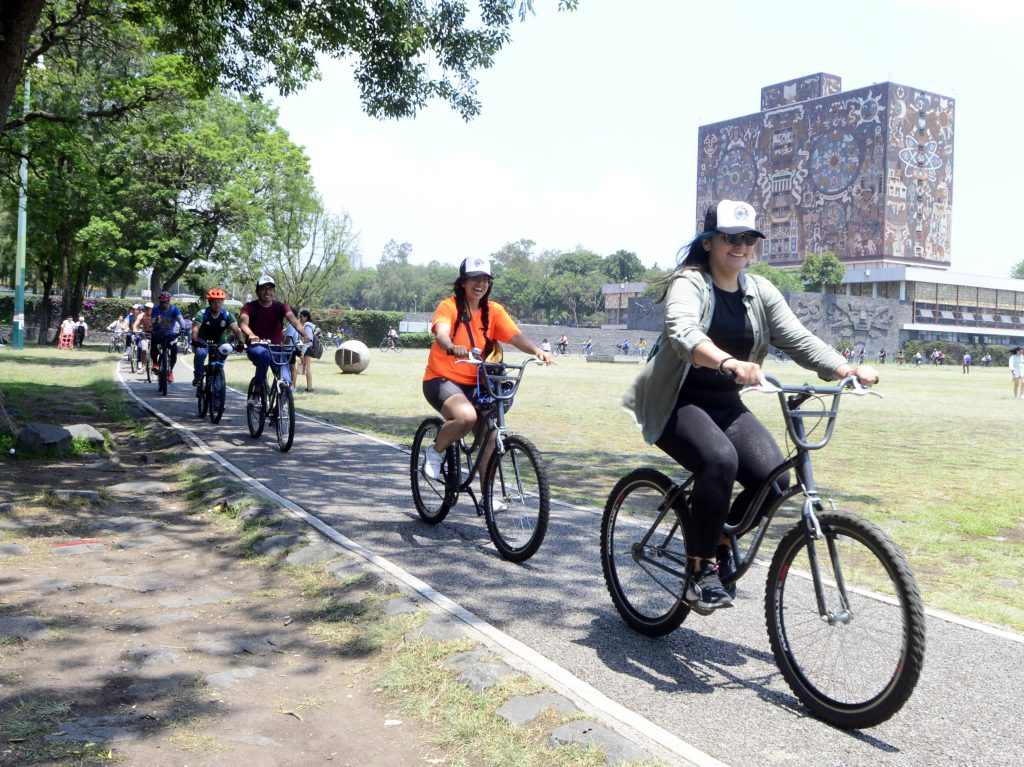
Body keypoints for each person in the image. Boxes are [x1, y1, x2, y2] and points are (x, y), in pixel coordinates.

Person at [622, 199, 878, 615]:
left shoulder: (759, 290)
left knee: (773, 483)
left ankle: (721, 541)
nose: (740, 246)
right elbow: (682, 330)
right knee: (719, 461)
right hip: (675, 401)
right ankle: (698, 569)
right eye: (730, 238)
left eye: (748, 239)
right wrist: (727, 360)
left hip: (724, 403)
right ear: (709, 242)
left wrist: (843, 368)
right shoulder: (690, 282)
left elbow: (797, 337)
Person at [420, 256, 553, 489]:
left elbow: (515, 336)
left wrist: (536, 351)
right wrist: (450, 346)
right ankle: (435, 450)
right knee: (466, 417)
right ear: (463, 282)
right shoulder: (449, 306)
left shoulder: (493, 312)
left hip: (478, 385)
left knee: (492, 435)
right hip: (442, 379)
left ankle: (488, 496)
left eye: (485, 280)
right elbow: (441, 332)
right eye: (474, 279)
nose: (480, 284)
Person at [239, 275, 311, 406]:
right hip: (257, 346)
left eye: (270, 289)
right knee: (264, 355)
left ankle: (281, 406)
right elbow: (243, 324)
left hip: (277, 348)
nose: (268, 292)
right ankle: (256, 392)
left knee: (284, 378)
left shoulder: (282, 307)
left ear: (274, 291)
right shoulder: (249, 307)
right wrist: (250, 334)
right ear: (257, 291)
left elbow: (295, 321)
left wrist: (304, 334)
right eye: (264, 289)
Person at [191, 288, 245, 386]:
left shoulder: (227, 315)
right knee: (200, 353)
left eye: (220, 302)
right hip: (203, 340)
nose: (217, 305)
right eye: (214, 302)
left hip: (220, 341)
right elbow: (195, 328)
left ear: (223, 303)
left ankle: (218, 378)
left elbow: (236, 330)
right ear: (210, 303)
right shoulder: (202, 314)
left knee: (222, 356)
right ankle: (198, 376)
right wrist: (195, 339)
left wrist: (241, 343)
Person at [149, 291, 184, 382]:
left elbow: (180, 319)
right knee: (153, 345)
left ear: (169, 301)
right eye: (162, 302)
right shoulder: (156, 309)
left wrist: (183, 328)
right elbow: (151, 322)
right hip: (158, 333)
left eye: (166, 302)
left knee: (174, 352)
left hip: (170, 334)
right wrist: (156, 321)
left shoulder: (174, 309)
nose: (164, 304)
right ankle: (155, 363)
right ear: (160, 302)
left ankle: (170, 371)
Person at [299, 309, 317, 392]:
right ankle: (309, 387)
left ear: (306, 317)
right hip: (307, 348)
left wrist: (302, 353)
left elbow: (307, 341)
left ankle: (309, 388)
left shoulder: (307, 326)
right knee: (307, 367)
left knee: (308, 367)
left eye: (301, 316)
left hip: (307, 349)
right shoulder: (307, 326)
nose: (300, 318)